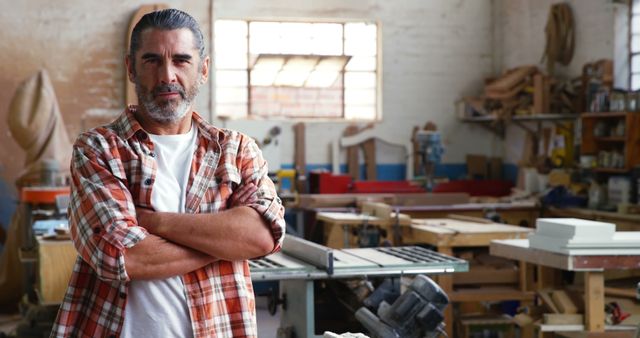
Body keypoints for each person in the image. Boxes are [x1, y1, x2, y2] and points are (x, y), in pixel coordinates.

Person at [51, 8, 285, 338]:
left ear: (203, 69)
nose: (167, 76)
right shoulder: (99, 149)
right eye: (151, 61)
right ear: (131, 68)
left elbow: (262, 236)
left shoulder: (236, 150)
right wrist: (228, 241)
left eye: (180, 60)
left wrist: (152, 222)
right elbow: (123, 257)